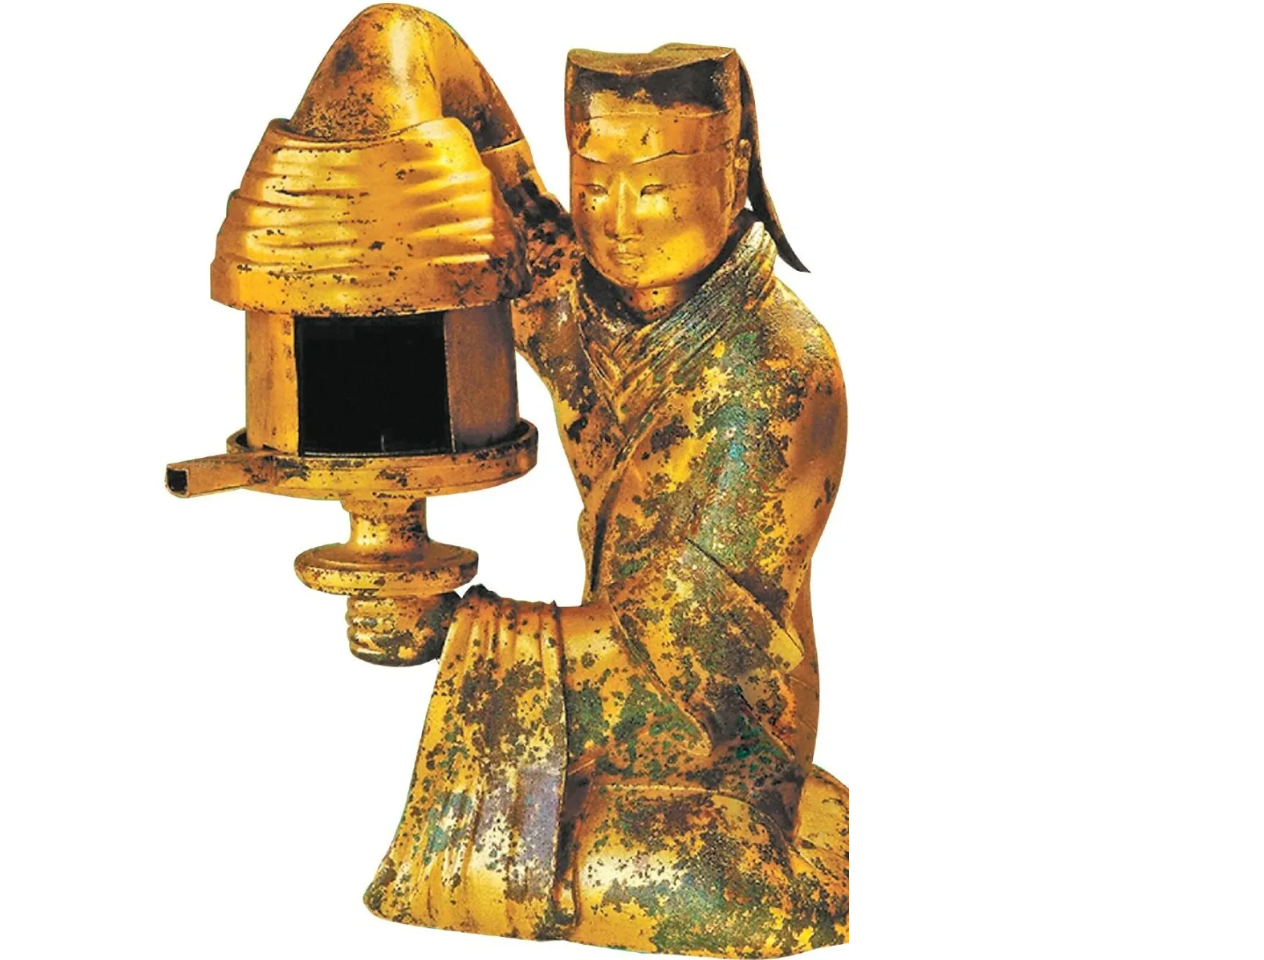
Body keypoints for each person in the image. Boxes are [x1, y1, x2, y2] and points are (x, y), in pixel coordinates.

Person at [287, 6, 849, 955]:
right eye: (596, 185)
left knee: (491, 859)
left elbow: (686, 660)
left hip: (724, 737)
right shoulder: (604, 314)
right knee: (493, 840)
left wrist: (457, 634)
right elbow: (512, 214)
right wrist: (400, 47)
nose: (619, 223)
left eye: (656, 187)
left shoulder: (773, 370)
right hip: (620, 706)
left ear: (736, 169)